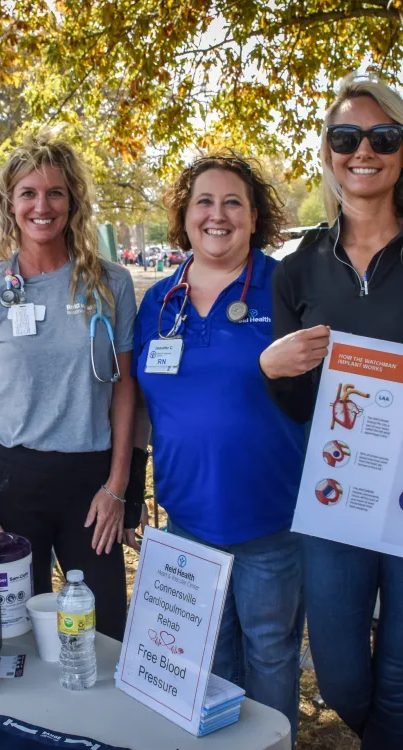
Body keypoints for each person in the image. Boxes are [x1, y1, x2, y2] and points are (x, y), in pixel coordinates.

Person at [132, 152, 306, 738]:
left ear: (256, 217)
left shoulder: (286, 287)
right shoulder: (158, 301)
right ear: (184, 216)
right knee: (210, 661)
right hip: (187, 521)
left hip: (271, 521)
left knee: (271, 655)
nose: (218, 214)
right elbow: (140, 404)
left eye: (234, 202)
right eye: (204, 201)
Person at [260, 73, 403, 749]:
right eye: (346, 136)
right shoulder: (298, 268)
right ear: (327, 151)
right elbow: (295, 409)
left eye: (384, 135)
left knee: (402, 677)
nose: (364, 150)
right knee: (343, 677)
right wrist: (272, 369)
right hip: (339, 498)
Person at [0, 133, 141, 641]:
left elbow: (125, 391)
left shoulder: (110, 282)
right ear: (9, 205)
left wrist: (118, 485)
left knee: (103, 632)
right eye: (28, 193)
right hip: (11, 478)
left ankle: (99, 724)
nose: (42, 205)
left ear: (73, 201)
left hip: (90, 480)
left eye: (55, 193)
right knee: (15, 630)